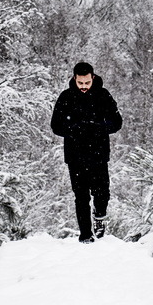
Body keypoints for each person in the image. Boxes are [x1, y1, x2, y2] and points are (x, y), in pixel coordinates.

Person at [51, 61, 123, 243]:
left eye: (87, 83)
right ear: (75, 78)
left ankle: (99, 217)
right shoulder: (66, 97)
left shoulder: (103, 96)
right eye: (80, 83)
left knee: (102, 194)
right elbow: (56, 126)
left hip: (98, 154)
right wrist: (74, 128)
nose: (83, 87)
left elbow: (117, 122)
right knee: (81, 196)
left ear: (93, 78)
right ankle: (85, 235)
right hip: (75, 155)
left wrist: (99, 127)